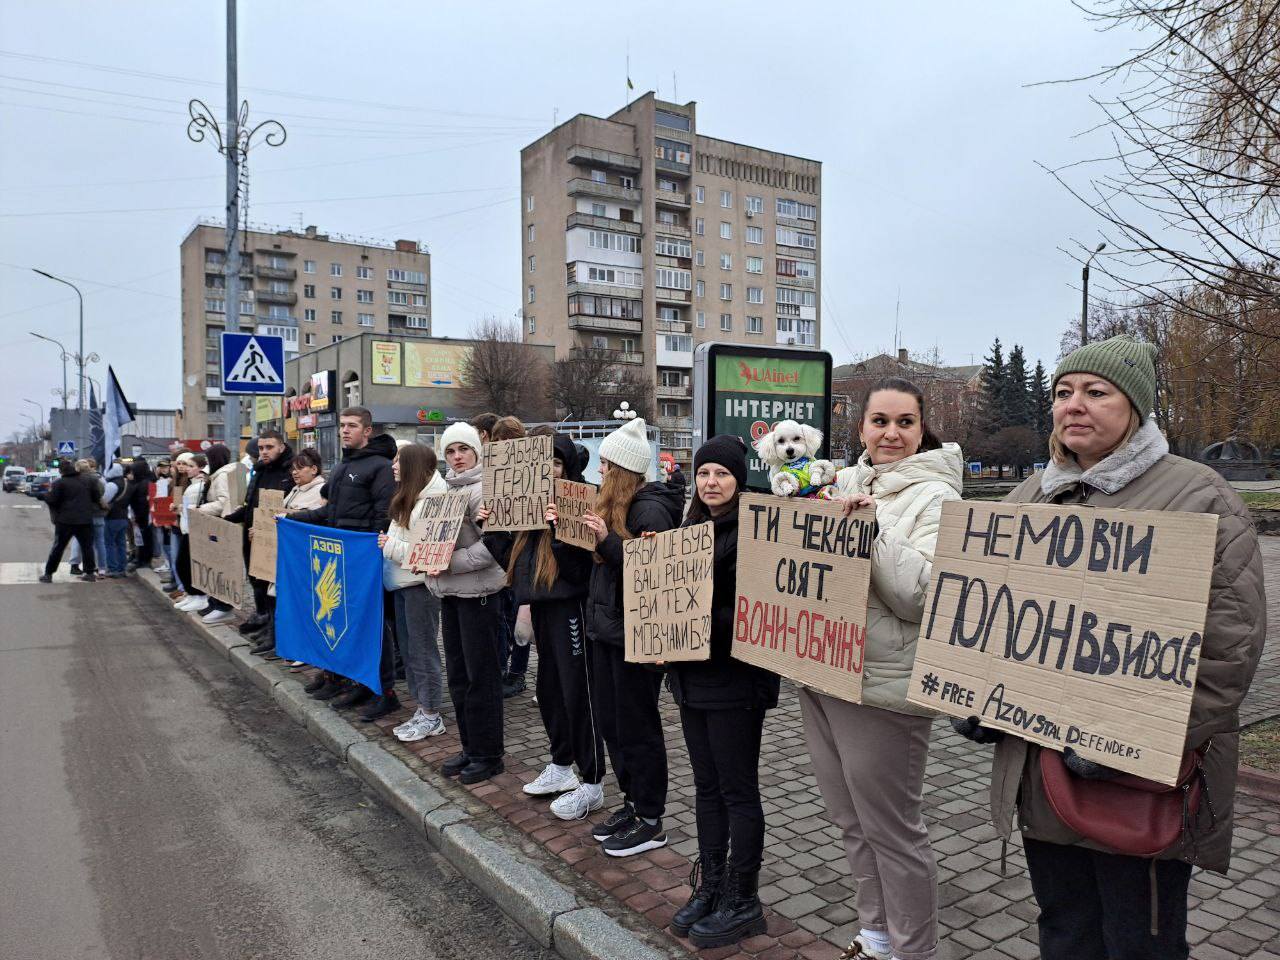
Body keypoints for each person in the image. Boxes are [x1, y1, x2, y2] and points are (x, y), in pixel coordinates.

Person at [954, 335, 1265, 960]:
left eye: (1097, 392)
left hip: (1134, 787)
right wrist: (973, 692)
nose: (1076, 405)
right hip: (1040, 778)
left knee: (1140, 943)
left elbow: (1227, 653)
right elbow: (983, 614)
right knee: (1064, 931)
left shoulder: (1198, 496)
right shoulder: (1025, 500)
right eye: (1064, 393)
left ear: (1137, 407)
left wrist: (1128, 738)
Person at [807, 377, 963, 960]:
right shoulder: (838, 483)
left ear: (923, 429)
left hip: (884, 686)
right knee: (851, 820)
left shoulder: (939, 498)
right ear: (862, 427)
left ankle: (913, 949)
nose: (891, 434)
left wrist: (869, 531)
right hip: (824, 669)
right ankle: (876, 935)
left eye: (904, 422)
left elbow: (919, 596)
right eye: (880, 422)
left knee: (893, 831)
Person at [668, 435, 779, 947]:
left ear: (740, 479)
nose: (711, 483)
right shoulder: (688, 528)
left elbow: (756, 613)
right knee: (706, 787)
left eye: (722, 474)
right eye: (704, 474)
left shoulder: (757, 532)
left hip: (735, 680)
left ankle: (744, 896)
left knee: (738, 790)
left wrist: (690, 620)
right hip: (690, 679)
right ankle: (711, 884)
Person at [580, 416, 684, 857]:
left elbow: (655, 572)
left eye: (606, 466)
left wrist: (606, 543)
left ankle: (651, 817)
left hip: (635, 638)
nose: (600, 473)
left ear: (623, 472)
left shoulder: (649, 509)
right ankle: (630, 801)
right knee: (611, 722)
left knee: (636, 726)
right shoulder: (618, 508)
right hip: (608, 630)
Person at [502, 433, 606, 820]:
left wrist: (562, 533)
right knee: (549, 690)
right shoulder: (528, 509)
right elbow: (515, 567)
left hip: (570, 608)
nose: (549, 472)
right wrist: (495, 529)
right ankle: (561, 765)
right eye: (543, 465)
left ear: (569, 468)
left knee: (578, 692)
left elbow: (581, 569)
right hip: (542, 607)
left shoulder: (579, 501)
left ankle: (592, 779)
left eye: (557, 464)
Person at [291, 407, 397, 715]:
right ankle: (353, 682)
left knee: (373, 626)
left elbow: (384, 516)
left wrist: (370, 552)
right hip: (338, 559)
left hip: (363, 561)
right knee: (342, 623)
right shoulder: (342, 467)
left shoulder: (379, 467)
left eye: (352, 426)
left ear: (368, 431)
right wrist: (293, 519)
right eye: (342, 425)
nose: (344, 430)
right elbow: (330, 514)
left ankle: (384, 690)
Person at [428, 421, 507, 784]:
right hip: (452, 596)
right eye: (451, 451)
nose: (457, 457)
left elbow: (491, 548)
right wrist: (430, 564)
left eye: (464, 450)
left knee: (482, 679)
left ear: (477, 451)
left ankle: (489, 754)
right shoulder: (444, 489)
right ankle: (469, 746)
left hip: (479, 596)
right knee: (458, 677)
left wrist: (445, 566)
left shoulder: (485, 489)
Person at [378, 443, 447, 740]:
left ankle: (432, 714)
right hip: (403, 584)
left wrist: (388, 546)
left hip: (420, 587)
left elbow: (428, 554)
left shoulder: (433, 502)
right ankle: (422, 709)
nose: (393, 466)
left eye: (398, 461)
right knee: (409, 651)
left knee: (422, 651)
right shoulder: (411, 497)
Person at [225, 430, 294, 651]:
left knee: (276, 591)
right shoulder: (260, 471)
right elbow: (251, 506)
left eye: (269, 447)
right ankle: (269, 628)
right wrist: (226, 519)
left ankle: (278, 636)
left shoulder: (290, 471)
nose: (264, 452)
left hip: (276, 543)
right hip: (255, 538)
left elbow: (291, 509)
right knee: (261, 587)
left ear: (281, 447)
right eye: (261, 448)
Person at [487, 415, 531, 699]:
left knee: (521, 618)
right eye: (499, 443)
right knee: (507, 615)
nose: (503, 448)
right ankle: (509, 669)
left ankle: (518, 673)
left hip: (522, 552)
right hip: (505, 552)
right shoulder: (495, 473)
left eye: (508, 443)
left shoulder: (529, 472)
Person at [195, 444, 240, 624]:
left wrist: (201, 509)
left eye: (208, 459)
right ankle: (215, 602)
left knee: (220, 566)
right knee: (214, 565)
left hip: (221, 526)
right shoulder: (219, 475)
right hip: (217, 524)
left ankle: (222, 605)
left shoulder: (222, 476)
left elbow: (223, 503)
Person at [39, 459, 99, 583]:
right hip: (85, 520)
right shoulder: (89, 481)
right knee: (87, 547)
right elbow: (96, 497)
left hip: (65, 521)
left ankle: (48, 574)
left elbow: (53, 500)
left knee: (58, 547)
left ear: (61, 471)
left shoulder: (59, 483)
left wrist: (43, 496)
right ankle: (90, 573)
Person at [175, 453, 210, 614]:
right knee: (182, 563)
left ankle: (199, 596)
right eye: (183, 464)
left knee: (185, 563)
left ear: (201, 467)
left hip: (193, 529)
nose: (185, 468)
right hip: (186, 526)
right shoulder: (188, 482)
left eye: (189, 465)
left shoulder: (201, 484)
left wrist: (182, 508)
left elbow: (195, 507)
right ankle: (191, 594)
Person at [100, 461, 133, 578]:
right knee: (121, 544)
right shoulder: (127, 483)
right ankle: (122, 568)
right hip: (124, 516)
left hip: (112, 517)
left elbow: (104, 500)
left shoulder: (112, 485)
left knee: (109, 544)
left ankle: (113, 568)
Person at [126, 457, 154, 572]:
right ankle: (141, 559)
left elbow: (143, 503)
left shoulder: (144, 484)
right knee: (141, 539)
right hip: (141, 516)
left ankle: (144, 560)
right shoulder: (143, 481)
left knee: (145, 539)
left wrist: (138, 518)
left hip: (143, 516)